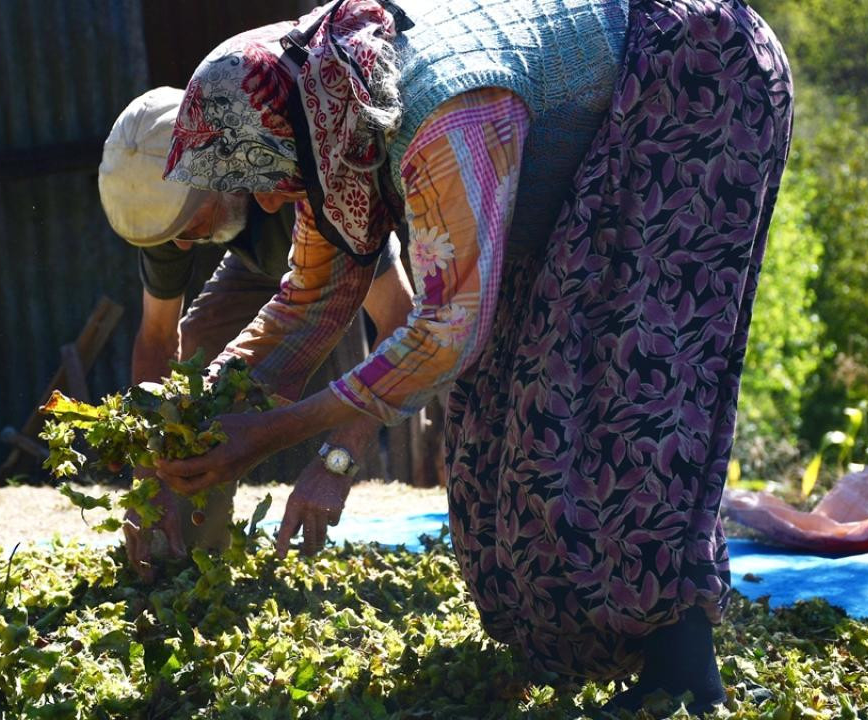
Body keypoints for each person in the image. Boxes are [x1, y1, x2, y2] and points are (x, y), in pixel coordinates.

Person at [154, 0, 793, 712]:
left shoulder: (438, 110)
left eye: (264, 174)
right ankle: (573, 649)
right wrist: (198, 423)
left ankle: (682, 674)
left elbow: (449, 330)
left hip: (687, 78)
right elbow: (309, 304)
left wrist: (276, 433)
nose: (269, 201)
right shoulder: (328, 120)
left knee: (619, 375)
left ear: (291, 134)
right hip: (583, 147)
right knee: (498, 416)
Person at [97, 87, 414, 578]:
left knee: (267, 385)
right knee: (193, 381)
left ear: (220, 172)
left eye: (190, 223)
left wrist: (341, 456)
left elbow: (401, 321)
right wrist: (148, 478)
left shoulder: (312, 181)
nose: (181, 243)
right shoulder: (167, 212)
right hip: (256, 266)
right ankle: (191, 558)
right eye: (170, 234)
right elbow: (160, 342)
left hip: (333, 262)